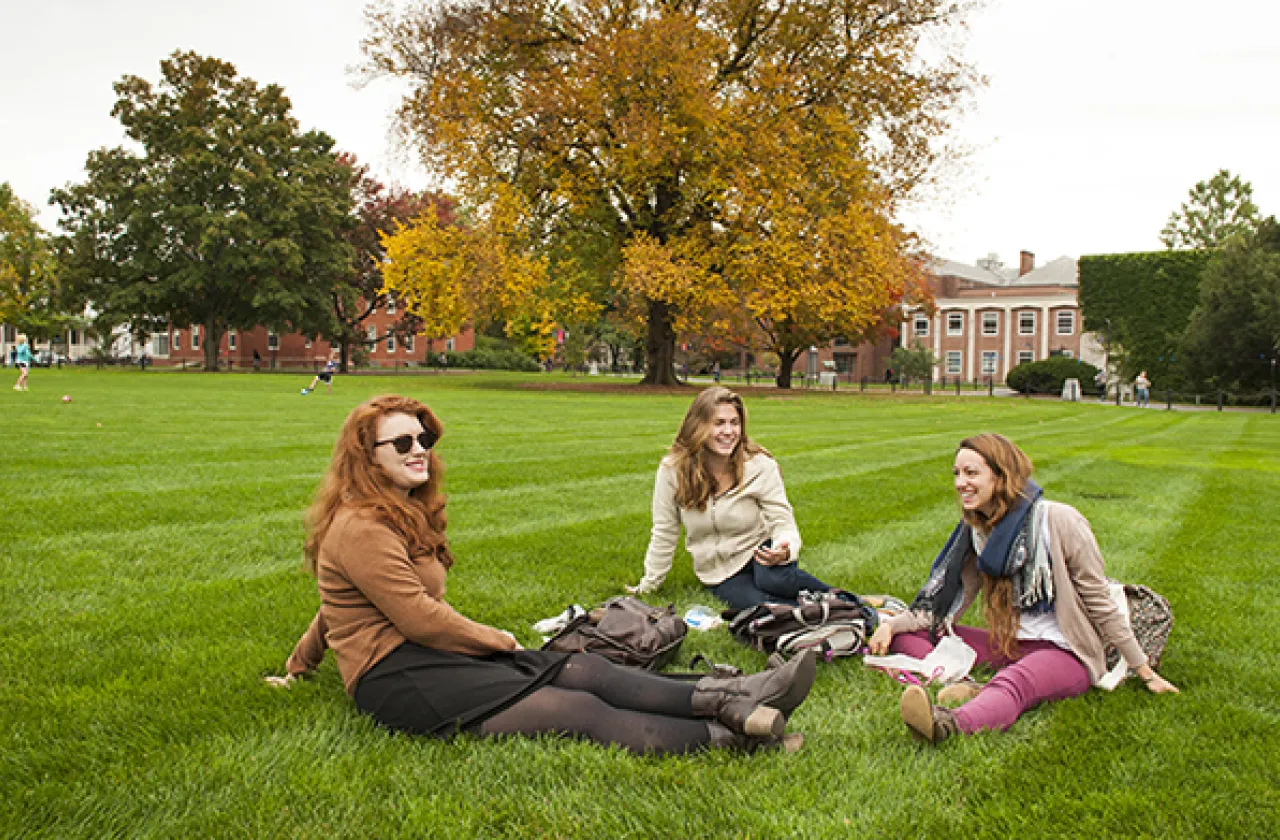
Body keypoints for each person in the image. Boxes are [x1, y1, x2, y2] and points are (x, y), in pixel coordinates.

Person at [266, 394, 816, 754]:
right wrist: (496, 640)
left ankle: (740, 693)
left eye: (424, 440)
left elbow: (335, 606)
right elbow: (413, 616)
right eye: (403, 443)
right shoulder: (360, 527)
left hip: (428, 655)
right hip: (395, 677)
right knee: (573, 707)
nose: (420, 451)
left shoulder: (396, 510)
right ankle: (738, 738)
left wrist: (299, 665)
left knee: (582, 668)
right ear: (367, 456)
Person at [866, 433, 1178, 745]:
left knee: (1015, 683)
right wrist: (892, 625)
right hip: (1013, 641)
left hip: (1065, 651)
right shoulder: (977, 531)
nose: (961, 482)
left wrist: (1144, 670)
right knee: (913, 636)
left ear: (1001, 475)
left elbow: (1098, 602)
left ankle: (948, 724)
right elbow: (939, 606)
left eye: (972, 473)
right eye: (957, 474)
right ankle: (971, 684)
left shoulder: (1059, 521)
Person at [628, 386, 832, 612]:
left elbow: (782, 520)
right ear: (698, 426)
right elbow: (665, 531)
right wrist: (649, 585)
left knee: (773, 580)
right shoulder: (673, 471)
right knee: (761, 608)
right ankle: (820, 614)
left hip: (760, 553)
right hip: (720, 572)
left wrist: (785, 548)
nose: (729, 431)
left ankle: (854, 606)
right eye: (719, 423)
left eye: (734, 423)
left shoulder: (760, 466)